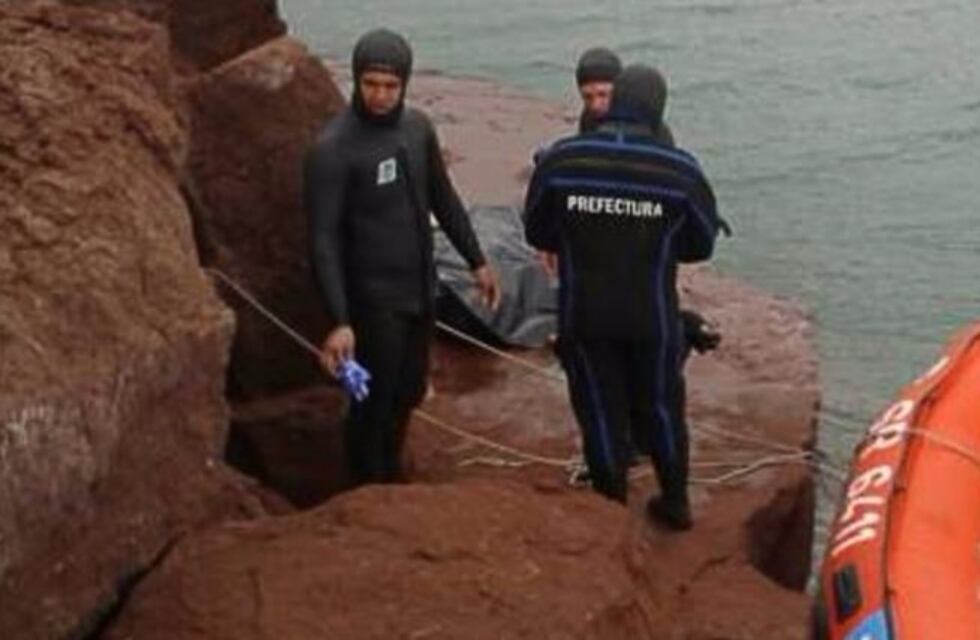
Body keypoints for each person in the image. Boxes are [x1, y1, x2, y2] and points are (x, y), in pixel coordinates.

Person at [524, 64, 721, 530]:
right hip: (649, 311)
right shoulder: (679, 169)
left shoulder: (562, 159)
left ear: (613, 102)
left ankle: (610, 508)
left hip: (584, 313)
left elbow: (537, 229)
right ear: (657, 109)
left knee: (598, 408)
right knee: (660, 407)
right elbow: (701, 243)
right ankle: (675, 503)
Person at [305, 29, 501, 486]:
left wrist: (477, 260)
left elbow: (444, 198)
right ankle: (366, 487)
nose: (379, 95)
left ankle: (388, 472)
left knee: (410, 391)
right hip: (372, 299)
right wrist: (338, 319)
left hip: (419, 289)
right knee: (374, 398)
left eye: (391, 86)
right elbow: (322, 240)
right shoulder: (333, 149)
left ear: (405, 85)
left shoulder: (416, 130)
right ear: (357, 81)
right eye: (370, 84)